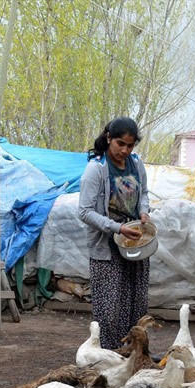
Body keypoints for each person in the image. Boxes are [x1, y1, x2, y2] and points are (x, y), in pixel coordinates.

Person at [78, 117, 150, 349]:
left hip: (135, 243)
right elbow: (84, 212)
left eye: (130, 145)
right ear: (109, 138)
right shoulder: (96, 169)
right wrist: (117, 228)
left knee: (136, 305)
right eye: (120, 143)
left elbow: (144, 193)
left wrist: (144, 211)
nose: (125, 150)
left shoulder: (136, 164)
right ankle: (110, 356)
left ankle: (135, 354)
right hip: (107, 247)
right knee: (109, 311)